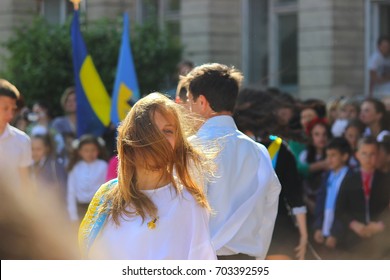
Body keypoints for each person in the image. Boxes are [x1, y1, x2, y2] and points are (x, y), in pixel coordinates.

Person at [79, 93, 216, 260]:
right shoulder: (106, 196)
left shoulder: (190, 203)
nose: (158, 140)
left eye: (168, 131)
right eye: (149, 130)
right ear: (131, 140)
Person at [180, 63, 281, 260]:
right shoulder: (259, 152)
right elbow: (269, 211)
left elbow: (182, 211)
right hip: (247, 260)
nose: (187, 109)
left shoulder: (190, 149)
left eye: (190, 101)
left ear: (202, 102)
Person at [234, 88, 308, 260]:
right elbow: (295, 197)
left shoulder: (232, 149)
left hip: (242, 233)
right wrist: (303, 236)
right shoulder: (281, 149)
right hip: (278, 230)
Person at [334, 137, 390, 259]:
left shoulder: (386, 180)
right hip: (353, 241)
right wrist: (354, 224)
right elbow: (339, 210)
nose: (368, 158)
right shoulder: (349, 179)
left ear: (378, 155)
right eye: (364, 153)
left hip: (382, 241)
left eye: (372, 154)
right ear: (357, 155)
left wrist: (381, 225)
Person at [312, 137, 352, 259]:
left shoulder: (351, 177)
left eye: (333, 155)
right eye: (327, 155)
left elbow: (348, 209)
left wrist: (336, 233)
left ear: (345, 156)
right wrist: (318, 226)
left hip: (342, 235)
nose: (329, 159)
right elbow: (320, 202)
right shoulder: (328, 175)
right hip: (325, 230)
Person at [67, 134, 108, 224]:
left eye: (93, 150)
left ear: (98, 151)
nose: (90, 153)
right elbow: (71, 191)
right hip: (80, 209)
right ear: (80, 152)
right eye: (86, 151)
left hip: (97, 209)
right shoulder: (75, 167)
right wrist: (73, 216)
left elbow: (107, 189)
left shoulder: (103, 166)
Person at [0, 79, 32, 189]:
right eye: (5, 108)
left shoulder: (22, 140)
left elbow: (25, 182)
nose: (10, 115)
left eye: (13, 109)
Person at [31, 134, 67, 205]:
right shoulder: (27, 165)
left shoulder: (55, 165)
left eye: (38, 149)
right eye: (32, 149)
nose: (34, 153)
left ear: (47, 149)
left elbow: (63, 189)